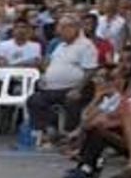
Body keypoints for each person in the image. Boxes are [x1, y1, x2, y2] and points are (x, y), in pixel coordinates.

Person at [26, 16, 99, 146]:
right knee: (34, 100)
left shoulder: (86, 46)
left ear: (74, 28)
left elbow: (91, 70)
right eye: (59, 27)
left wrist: (78, 89)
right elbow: (51, 65)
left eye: (63, 27)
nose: (59, 31)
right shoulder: (60, 46)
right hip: (52, 88)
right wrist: (43, 72)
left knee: (72, 100)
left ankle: (70, 134)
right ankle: (49, 129)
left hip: (76, 87)